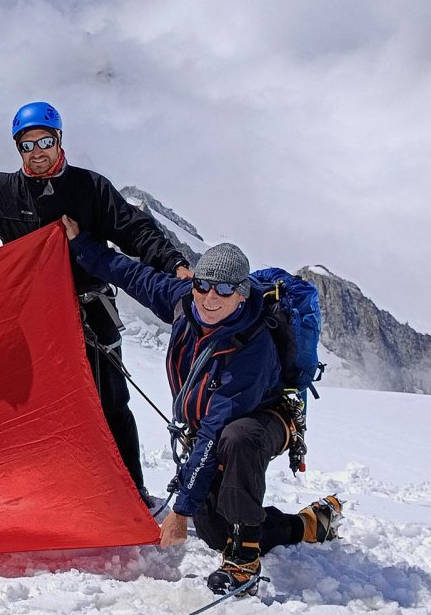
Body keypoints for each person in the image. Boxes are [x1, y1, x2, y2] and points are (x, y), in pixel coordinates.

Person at [0, 101, 192, 506]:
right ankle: (59, 494)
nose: (37, 152)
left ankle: (131, 492)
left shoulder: (90, 187)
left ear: (59, 139)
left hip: (91, 310)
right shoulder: (5, 192)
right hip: (39, 320)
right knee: (43, 408)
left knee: (112, 403)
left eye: (44, 141)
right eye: (27, 146)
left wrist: (175, 265)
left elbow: (136, 231)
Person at [62, 222, 344, 594]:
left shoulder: (252, 346)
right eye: (204, 285)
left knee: (237, 438)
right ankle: (307, 525)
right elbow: (128, 272)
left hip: (266, 420)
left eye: (224, 290)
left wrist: (179, 512)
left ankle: (244, 561)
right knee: (216, 532)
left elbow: (214, 433)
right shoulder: (184, 301)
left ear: (241, 295)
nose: (210, 298)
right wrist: (80, 241)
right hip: (213, 428)